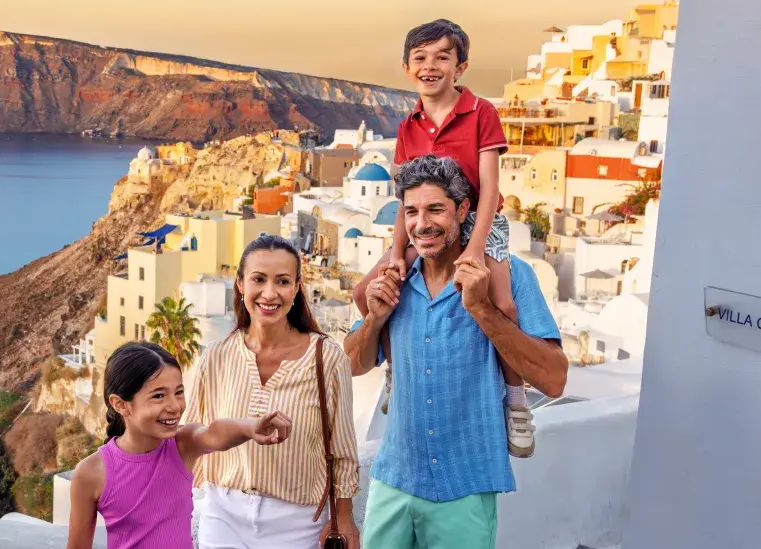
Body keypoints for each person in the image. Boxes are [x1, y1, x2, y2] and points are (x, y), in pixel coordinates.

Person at [344, 155, 568, 548]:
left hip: (465, 485)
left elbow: (553, 378)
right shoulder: (393, 281)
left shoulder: (510, 277)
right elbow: (349, 365)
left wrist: (482, 309)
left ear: (463, 210)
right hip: (394, 480)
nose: (422, 224)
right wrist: (375, 320)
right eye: (411, 211)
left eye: (435, 209)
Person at [351, 18, 536, 457]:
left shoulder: (480, 113)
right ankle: (396, 371)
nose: (430, 66)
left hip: (476, 221)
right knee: (366, 294)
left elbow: (489, 188)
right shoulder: (407, 125)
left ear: (461, 66)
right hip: (423, 224)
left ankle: (516, 401)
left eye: (442, 57)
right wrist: (397, 252)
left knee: (504, 303)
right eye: (420, 58)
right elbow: (405, 198)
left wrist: (474, 249)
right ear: (407, 66)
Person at [183, 234, 360, 549]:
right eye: (258, 279)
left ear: (296, 287)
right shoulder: (216, 356)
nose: (269, 293)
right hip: (223, 515)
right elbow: (193, 438)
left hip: (298, 522)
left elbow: (343, 449)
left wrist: (343, 518)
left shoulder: (326, 357)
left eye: (282, 281)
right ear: (240, 284)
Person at [65, 341, 293, 549]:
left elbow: (215, 433)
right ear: (121, 405)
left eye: (179, 392)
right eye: (158, 396)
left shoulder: (182, 445)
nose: (175, 406)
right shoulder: (91, 473)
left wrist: (250, 427)